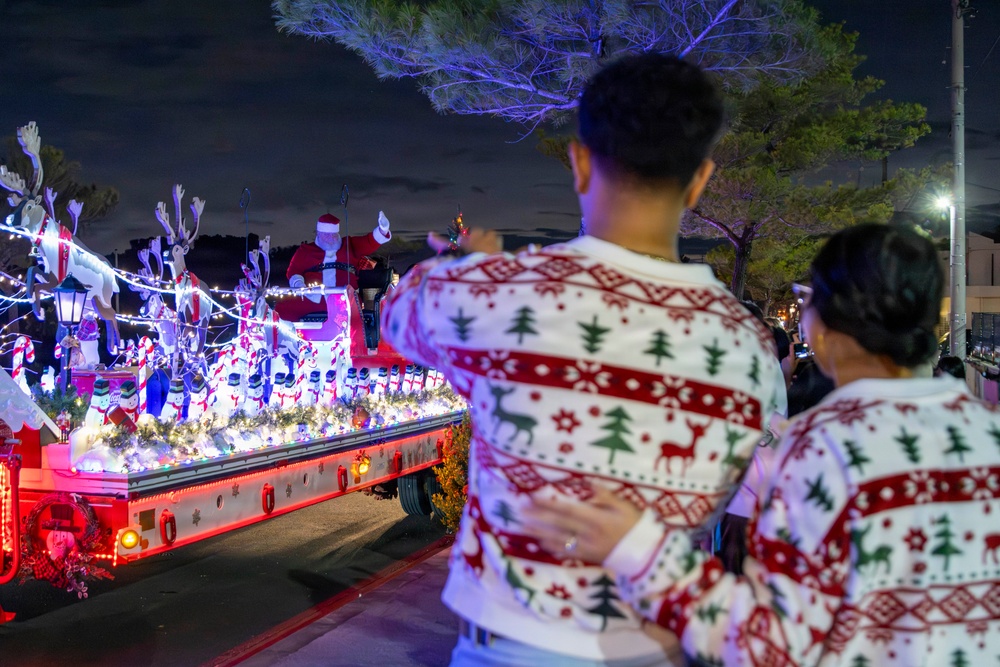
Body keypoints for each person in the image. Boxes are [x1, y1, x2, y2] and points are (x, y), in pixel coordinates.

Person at [382, 53, 780, 666]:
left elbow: (397, 314)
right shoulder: (748, 344)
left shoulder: (498, 296)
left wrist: (465, 265)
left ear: (580, 162)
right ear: (700, 180)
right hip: (656, 647)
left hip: (508, 651)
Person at [520, 223, 1000, 665]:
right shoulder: (988, 430)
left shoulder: (824, 445)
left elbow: (768, 644)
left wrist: (639, 551)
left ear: (828, 320)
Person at [274, 210, 391, 321]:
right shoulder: (306, 250)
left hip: (345, 299)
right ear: (319, 233)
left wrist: (382, 230)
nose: (330, 238)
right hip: (312, 299)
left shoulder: (349, 245)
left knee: (354, 315)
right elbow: (293, 272)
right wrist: (299, 285)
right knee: (281, 311)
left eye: (333, 235)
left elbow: (369, 242)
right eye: (326, 235)